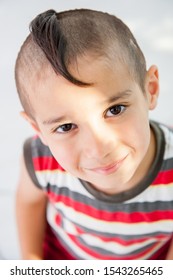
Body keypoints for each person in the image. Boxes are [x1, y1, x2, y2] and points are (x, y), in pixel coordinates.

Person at [15, 8, 173, 260]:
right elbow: (29, 202)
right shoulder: (41, 159)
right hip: (67, 253)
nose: (99, 149)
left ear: (150, 90)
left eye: (115, 109)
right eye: (65, 127)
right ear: (38, 130)